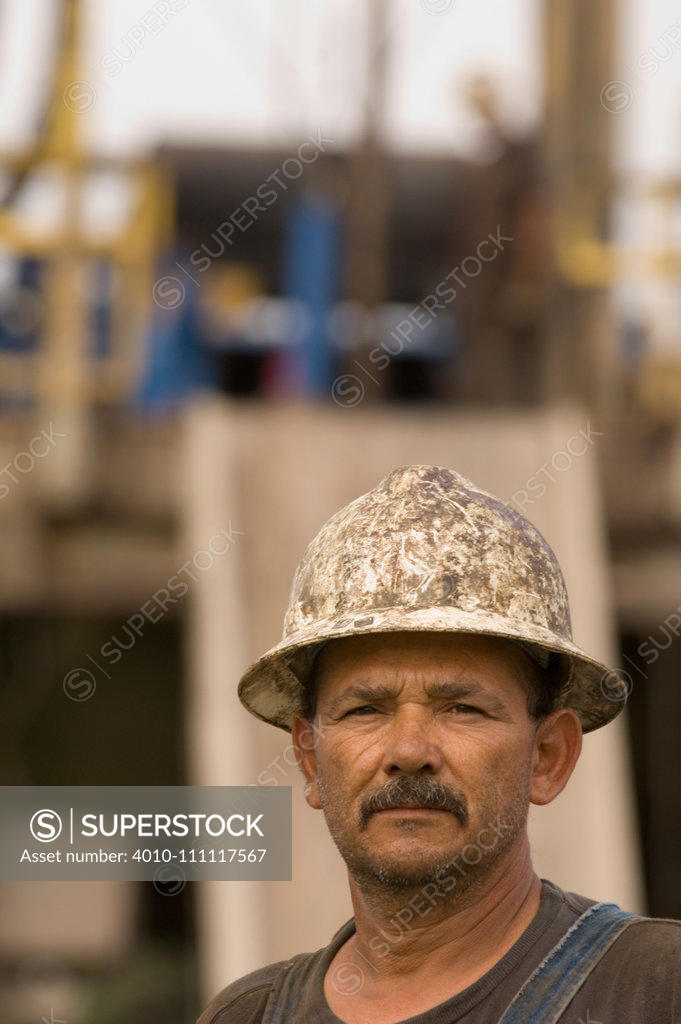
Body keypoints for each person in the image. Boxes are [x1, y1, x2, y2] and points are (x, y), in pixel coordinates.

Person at [196, 465, 681, 1024]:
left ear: (548, 758)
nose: (408, 749)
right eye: (365, 710)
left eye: (461, 708)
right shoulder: (249, 1015)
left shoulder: (657, 990)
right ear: (309, 759)